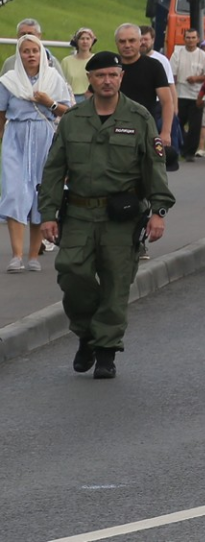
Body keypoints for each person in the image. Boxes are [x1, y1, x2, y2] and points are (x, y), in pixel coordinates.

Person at [38, 51, 174, 379]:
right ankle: (87, 334)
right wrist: (48, 213)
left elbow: (154, 167)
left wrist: (158, 211)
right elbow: (54, 169)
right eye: (101, 76)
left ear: (121, 78)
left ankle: (105, 352)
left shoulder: (139, 118)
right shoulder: (73, 119)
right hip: (80, 214)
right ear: (91, 80)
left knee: (115, 284)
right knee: (72, 274)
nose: (108, 81)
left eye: (113, 75)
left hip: (121, 218)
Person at [3, 35, 75, 272]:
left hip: (44, 138)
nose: (31, 55)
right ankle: (16, 255)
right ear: (19, 54)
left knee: (40, 193)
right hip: (16, 138)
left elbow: (68, 111)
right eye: (26, 51)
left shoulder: (52, 79)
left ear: (42, 53)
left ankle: (34, 255)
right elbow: (1, 113)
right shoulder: (8, 80)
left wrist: (49, 101)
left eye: (35, 50)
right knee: (14, 192)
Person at [110, 24, 175, 179]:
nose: (127, 45)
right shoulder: (111, 68)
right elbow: (91, 96)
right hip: (114, 130)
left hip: (145, 130)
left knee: (147, 175)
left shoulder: (153, 66)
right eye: (122, 41)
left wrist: (165, 132)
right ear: (117, 44)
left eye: (132, 41)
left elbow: (167, 101)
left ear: (140, 42)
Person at [168, 28, 205, 162]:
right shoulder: (177, 54)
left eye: (193, 38)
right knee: (178, 123)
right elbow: (172, 75)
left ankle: (190, 152)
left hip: (197, 96)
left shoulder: (203, 56)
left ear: (198, 39)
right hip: (180, 94)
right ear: (184, 39)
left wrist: (196, 78)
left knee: (195, 126)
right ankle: (181, 146)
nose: (191, 40)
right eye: (188, 37)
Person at [61, 29, 96, 95]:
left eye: (88, 39)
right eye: (82, 39)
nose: (85, 41)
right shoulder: (66, 61)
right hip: (71, 98)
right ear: (77, 41)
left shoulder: (96, 59)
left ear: (92, 41)